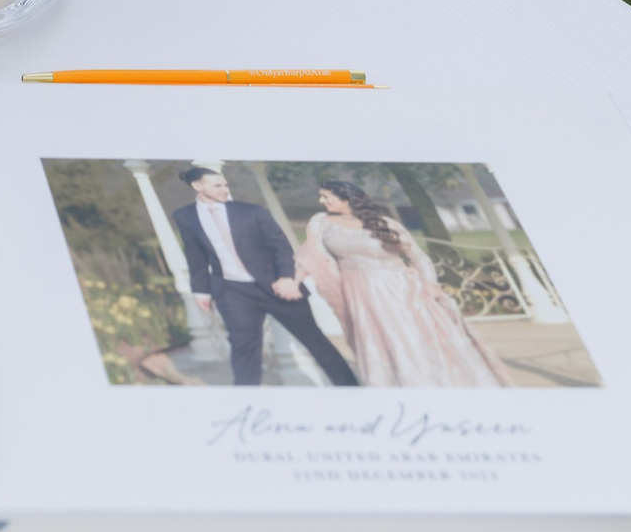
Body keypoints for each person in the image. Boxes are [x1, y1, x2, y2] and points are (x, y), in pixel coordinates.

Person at [304, 178, 514, 388]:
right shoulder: (322, 222)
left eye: (326, 196)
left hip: (400, 290)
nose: (321, 201)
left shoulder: (384, 223)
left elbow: (419, 257)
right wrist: (294, 279)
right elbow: (310, 255)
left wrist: (431, 285)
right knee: (379, 340)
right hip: (361, 293)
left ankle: (430, 382)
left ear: (346, 197)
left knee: (411, 336)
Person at [171, 165, 359, 388]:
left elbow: (280, 247)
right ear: (197, 186)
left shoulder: (251, 212)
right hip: (232, 291)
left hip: (276, 286)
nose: (224, 189)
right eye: (217, 185)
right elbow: (194, 254)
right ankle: (247, 399)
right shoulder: (185, 216)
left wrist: (287, 278)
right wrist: (200, 290)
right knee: (243, 348)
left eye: (225, 184)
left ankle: (351, 388)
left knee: (314, 340)